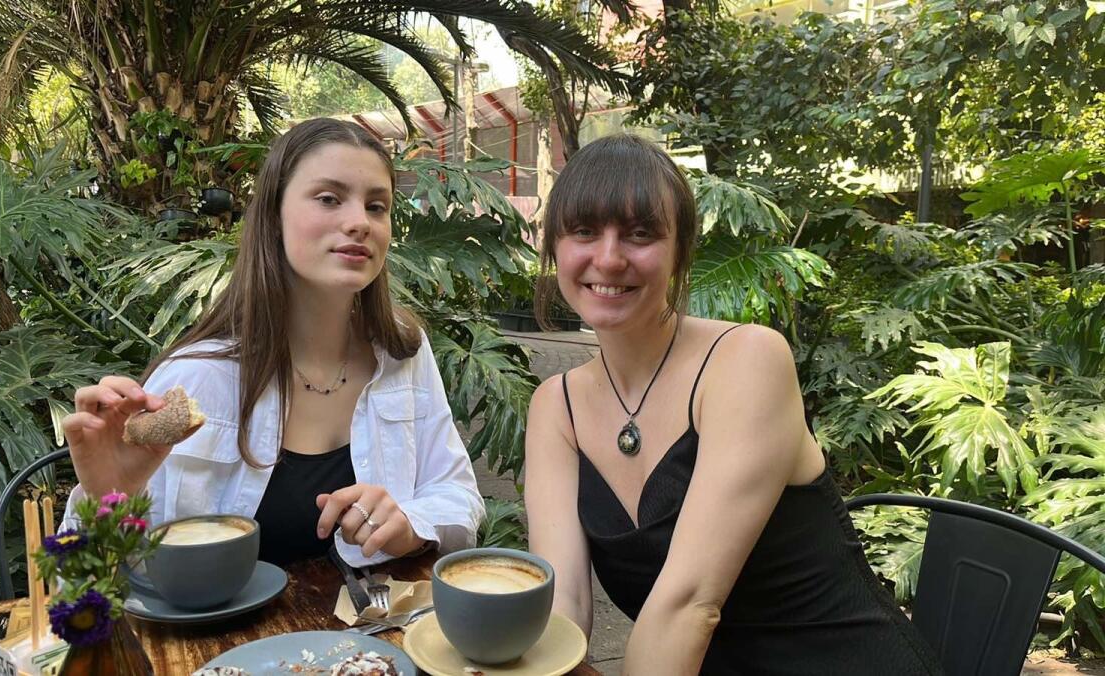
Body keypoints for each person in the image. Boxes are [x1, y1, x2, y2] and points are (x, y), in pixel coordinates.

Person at [523, 134, 942, 674]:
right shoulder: (556, 407)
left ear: (679, 251)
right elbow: (563, 607)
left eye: (640, 233)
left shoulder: (745, 361)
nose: (608, 257)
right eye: (584, 231)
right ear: (554, 245)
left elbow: (691, 603)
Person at [61, 118, 484, 567]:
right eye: (329, 198)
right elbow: (86, 584)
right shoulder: (198, 378)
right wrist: (108, 500)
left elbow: (458, 494)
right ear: (273, 216)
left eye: (377, 206)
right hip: (226, 639)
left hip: (376, 634)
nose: (359, 221)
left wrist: (409, 523)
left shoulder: (403, 352)